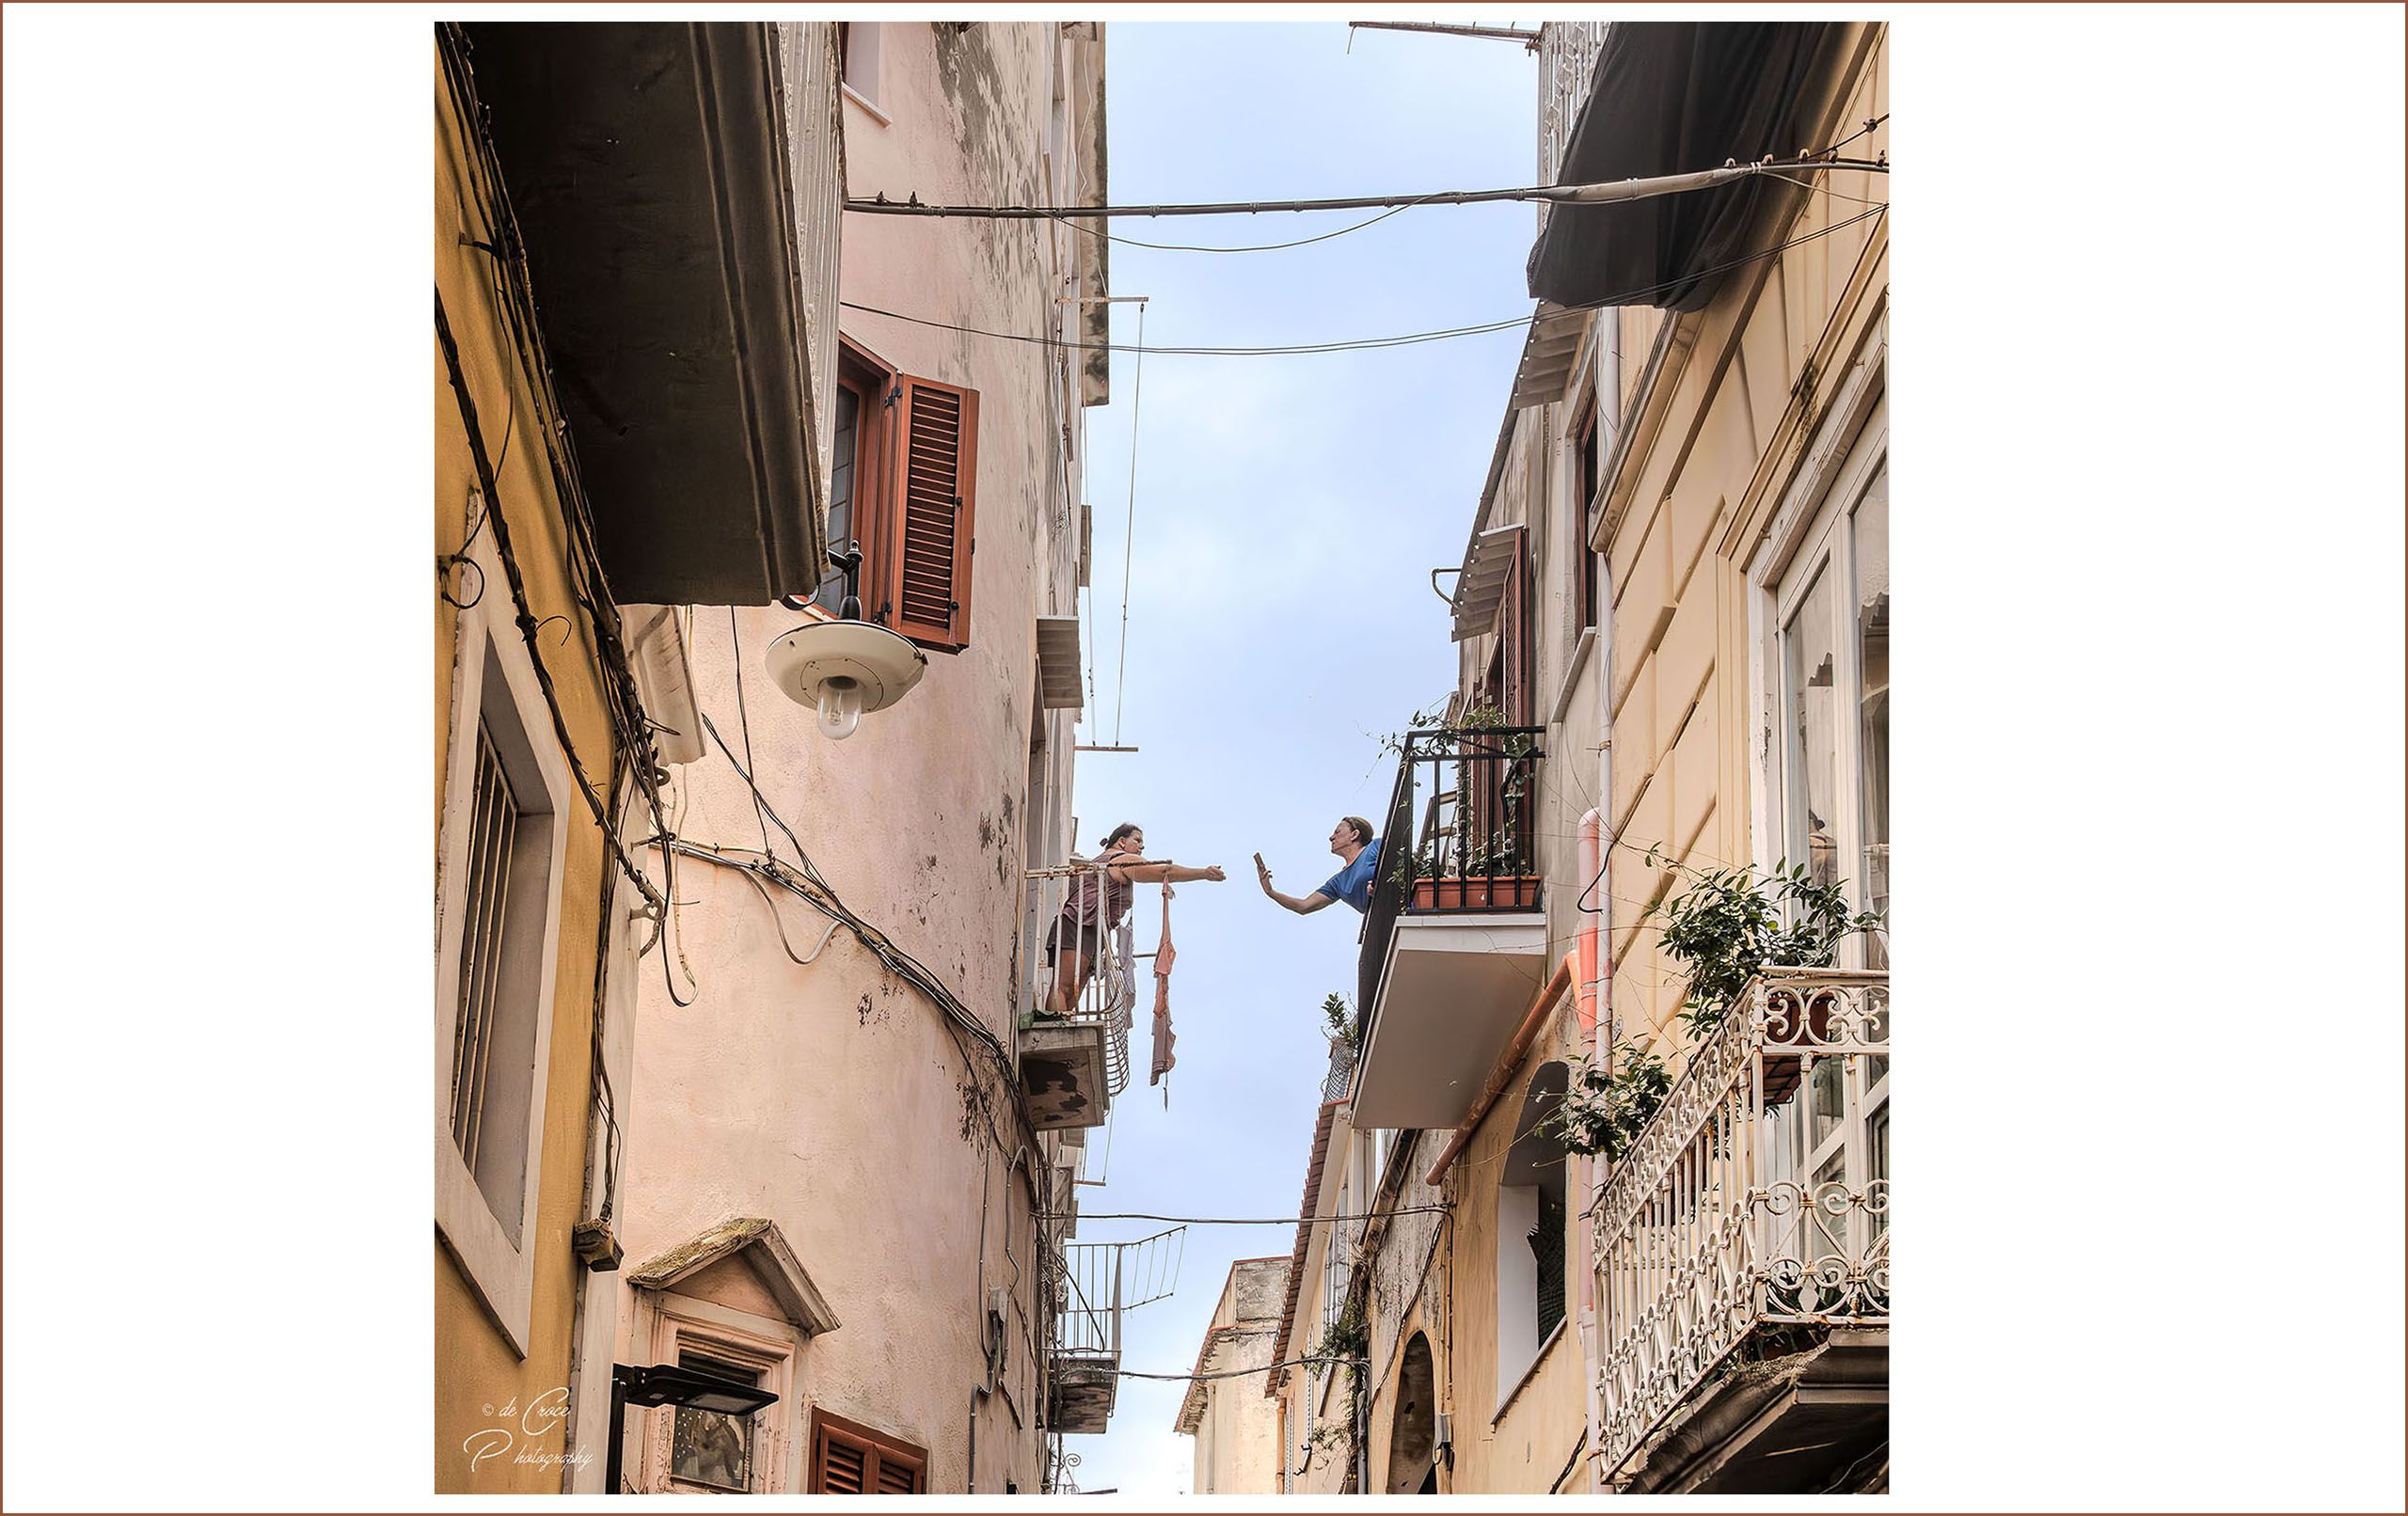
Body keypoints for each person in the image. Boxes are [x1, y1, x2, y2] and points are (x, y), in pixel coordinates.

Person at [1043, 823, 1225, 1015]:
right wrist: (1203, 873)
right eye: (1137, 840)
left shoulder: (1107, 862)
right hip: (1079, 922)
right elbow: (1165, 871)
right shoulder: (1119, 860)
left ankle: (1061, 1023)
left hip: (1089, 929)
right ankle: (1054, 1026)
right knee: (1065, 987)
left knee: (1072, 994)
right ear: (1121, 842)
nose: (1141, 847)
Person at [1255, 816, 1380, 916]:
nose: (1331, 838)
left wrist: (1380, 884)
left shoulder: (1375, 846)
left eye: (1337, 832)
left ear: (1354, 835)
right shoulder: (1338, 882)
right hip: (1380, 923)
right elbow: (1303, 906)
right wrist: (1270, 892)